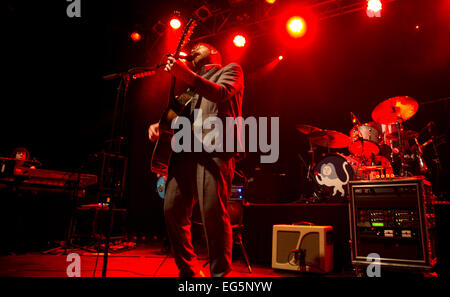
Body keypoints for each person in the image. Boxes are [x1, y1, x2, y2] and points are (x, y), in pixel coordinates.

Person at [148, 43, 244, 277]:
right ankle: (189, 272)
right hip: (184, 153)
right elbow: (175, 116)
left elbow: (220, 93)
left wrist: (187, 75)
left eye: (199, 47)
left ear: (213, 52)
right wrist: (159, 126)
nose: (193, 49)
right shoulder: (190, 88)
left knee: (213, 213)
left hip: (214, 150)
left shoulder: (231, 70)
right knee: (172, 210)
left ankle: (220, 275)